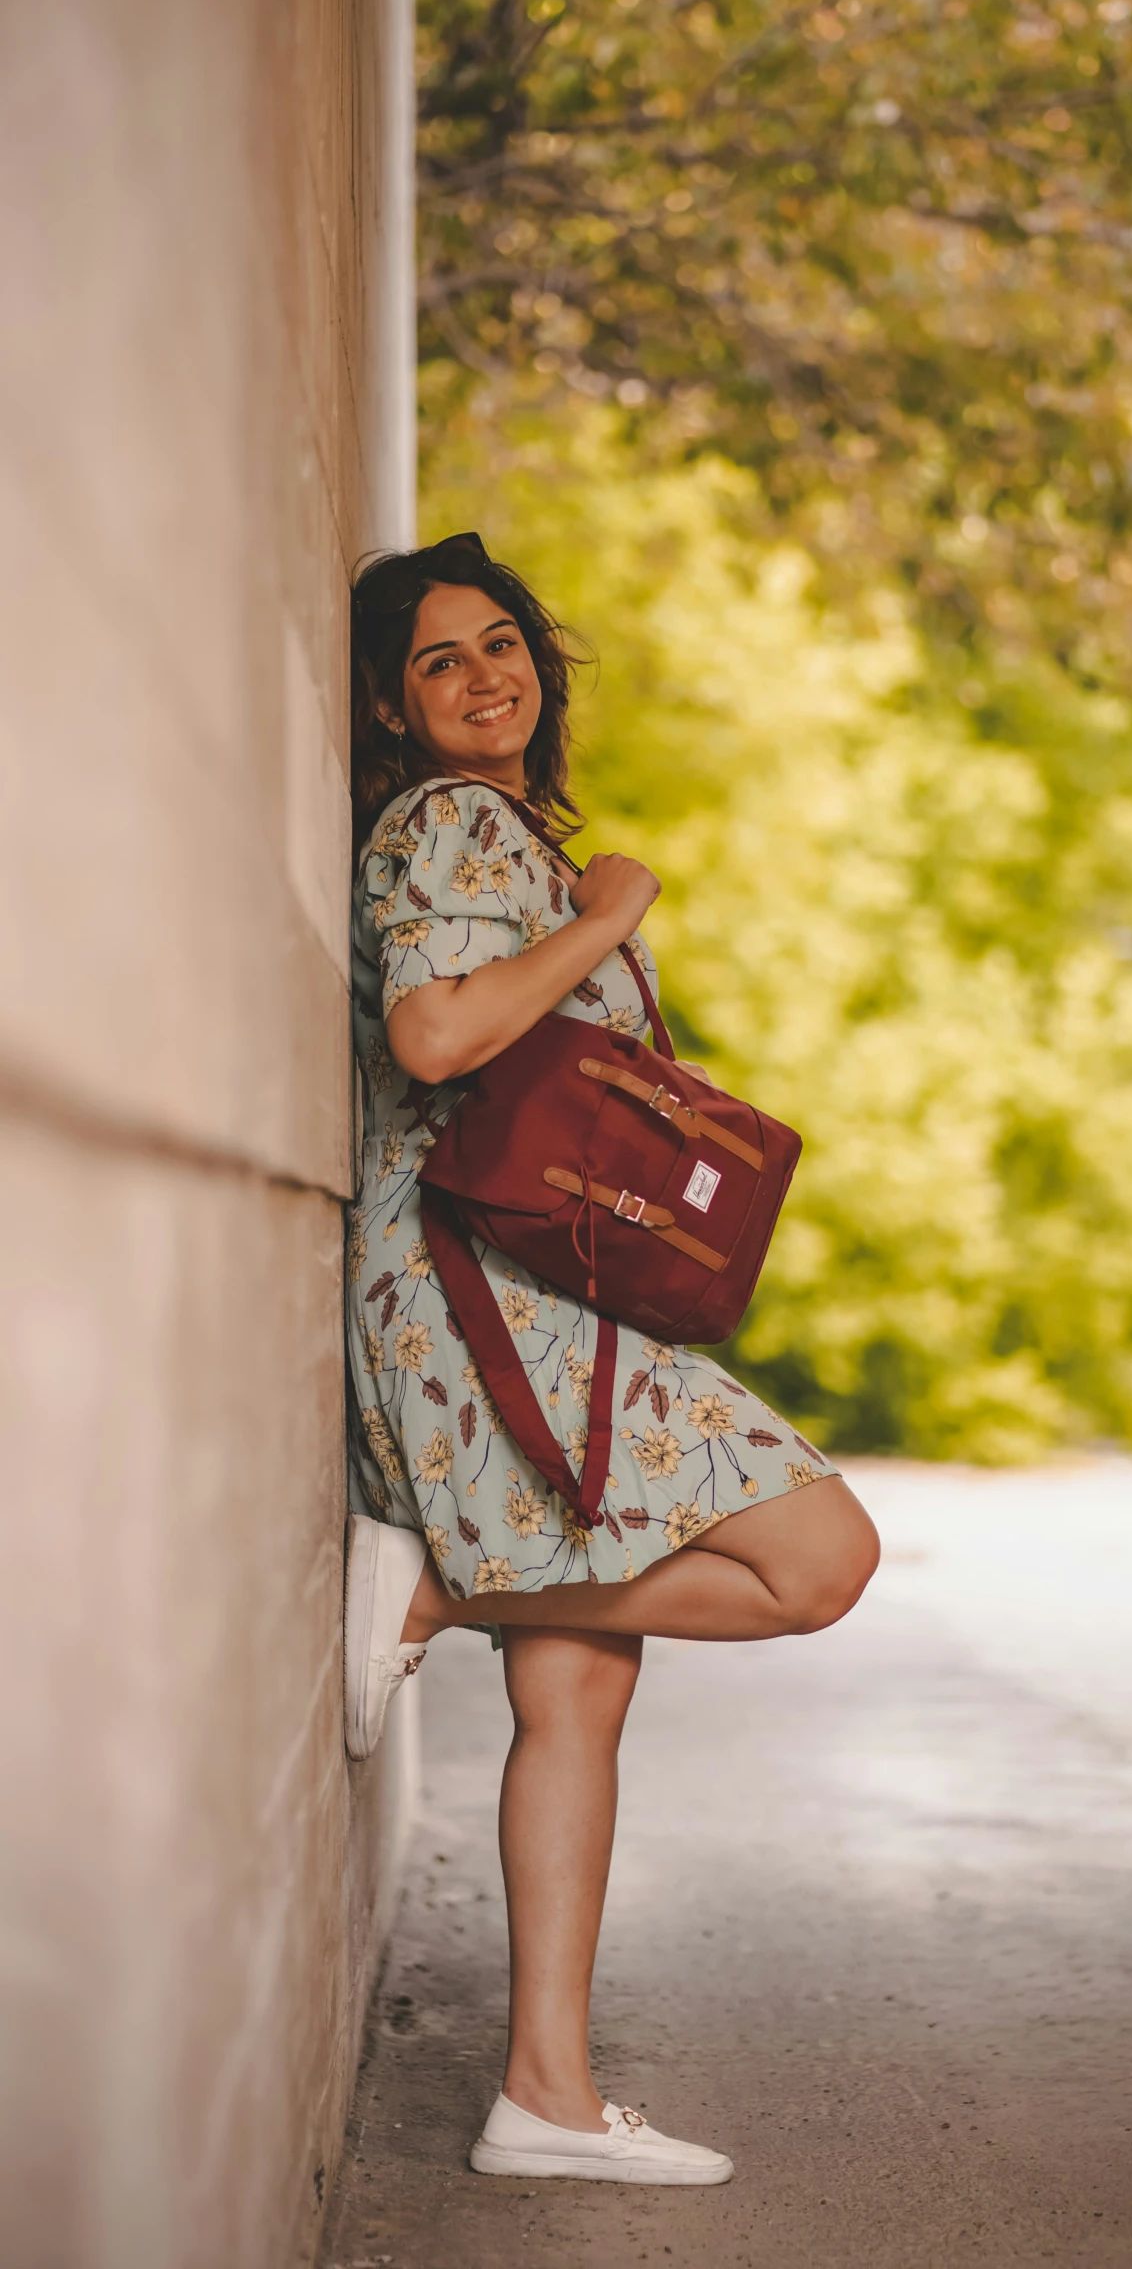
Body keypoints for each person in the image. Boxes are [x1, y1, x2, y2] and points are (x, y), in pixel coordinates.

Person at [343, 531, 879, 2189]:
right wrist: (612, 920)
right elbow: (435, 1035)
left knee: (581, 1684)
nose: (485, 675)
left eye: (501, 644)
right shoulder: (440, 824)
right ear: (391, 699)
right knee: (819, 1557)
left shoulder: (502, 828)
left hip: (536, 1284)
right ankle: (437, 1585)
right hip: (478, 1292)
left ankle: (546, 2096)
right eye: (441, 659)